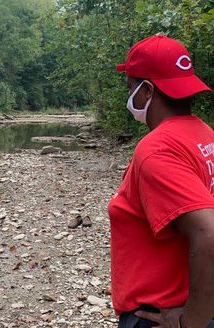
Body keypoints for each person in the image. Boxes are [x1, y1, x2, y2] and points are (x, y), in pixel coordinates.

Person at [108, 35, 214, 328]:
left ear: (147, 92)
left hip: (159, 314)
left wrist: (190, 322)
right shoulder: (204, 134)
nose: (130, 97)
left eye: (131, 88)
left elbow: (209, 234)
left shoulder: (157, 150)